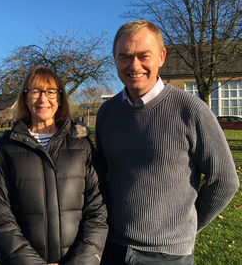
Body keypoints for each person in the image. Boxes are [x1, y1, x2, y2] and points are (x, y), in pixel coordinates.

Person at [95, 20, 240, 264]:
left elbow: (225, 181)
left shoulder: (192, 110)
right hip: (111, 248)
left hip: (168, 255)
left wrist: (186, 228)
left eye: (144, 56)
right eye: (125, 56)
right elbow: (103, 176)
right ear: (115, 60)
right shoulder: (106, 113)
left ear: (161, 57)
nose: (134, 65)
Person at [0, 66, 108, 265]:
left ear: (59, 98)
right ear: (25, 97)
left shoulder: (81, 145)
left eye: (50, 92)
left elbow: (98, 209)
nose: (43, 99)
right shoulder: (7, 148)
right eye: (35, 91)